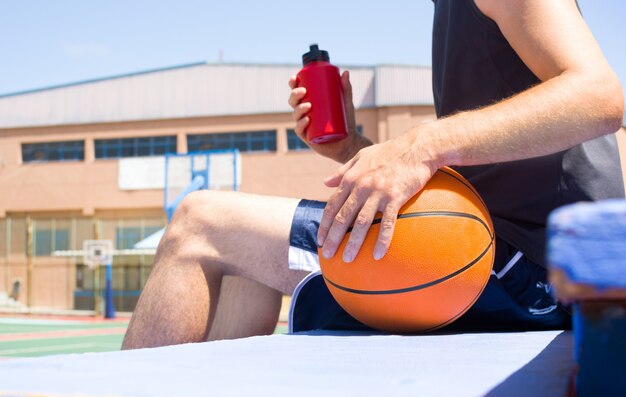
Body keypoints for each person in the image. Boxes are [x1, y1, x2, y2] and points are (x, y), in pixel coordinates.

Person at [122, 0, 624, 349]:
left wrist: (420, 144)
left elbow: (599, 97)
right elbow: (473, 182)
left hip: (536, 277)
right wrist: (352, 149)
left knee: (199, 224)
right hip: (499, 258)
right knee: (244, 259)